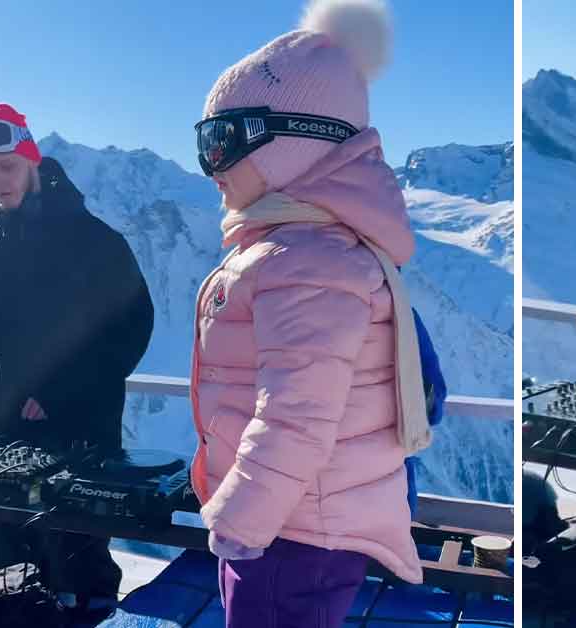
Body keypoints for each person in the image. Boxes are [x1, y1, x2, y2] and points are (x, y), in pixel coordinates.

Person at [187, 1, 429, 625]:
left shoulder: (307, 260)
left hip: (295, 529)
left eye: (222, 141)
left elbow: (298, 413)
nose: (209, 165)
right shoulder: (301, 248)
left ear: (298, 140)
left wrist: (242, 517)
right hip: (294, 517)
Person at [0, 103, 154, 616]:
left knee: (77, 555)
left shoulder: (93, 240)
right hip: (13, 424)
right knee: (15, 557)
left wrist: (61, 391)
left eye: (8, 166)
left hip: (81, 426)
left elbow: (131, 329)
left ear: (32, 159)